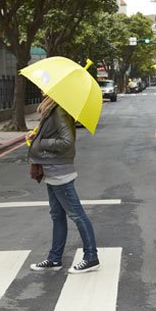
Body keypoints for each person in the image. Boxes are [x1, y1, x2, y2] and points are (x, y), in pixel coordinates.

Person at [27, 96, 100, 274]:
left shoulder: (59, 111)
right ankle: (54, 259)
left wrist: (40, 143)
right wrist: (36, 137)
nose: (42, 88)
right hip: (51, 170)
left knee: (77, 215)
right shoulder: (50, 108)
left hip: (59, 171)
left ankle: (91, 257)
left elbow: (67, 142)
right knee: (57, 216)